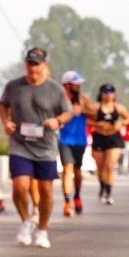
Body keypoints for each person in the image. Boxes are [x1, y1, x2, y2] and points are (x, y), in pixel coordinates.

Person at [0, 47, 72, 249]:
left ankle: (42, 230)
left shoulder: (55, 89)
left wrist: (58, 121)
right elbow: (3, 105)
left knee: (45, 190)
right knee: (19, 186)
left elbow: (68, 112)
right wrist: (6, 122)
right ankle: (25, 222)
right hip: (20, 144)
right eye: (30, 63)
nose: (33, 68)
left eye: (37, 64)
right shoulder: (14, 86)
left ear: (44, 65)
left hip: (45, 146)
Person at [88, 83, 129, 205]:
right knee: (101, 167)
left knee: (110, 166)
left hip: (114, 138)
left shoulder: (118, 107)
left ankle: (108, 192)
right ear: (101, 94)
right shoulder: (96, 107)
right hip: (99, 137)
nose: (108, 95)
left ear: (114, 94)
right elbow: (86, 120)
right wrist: (97, 124)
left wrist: (121, 124)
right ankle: (102, 186)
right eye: (105, 92)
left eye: (110, 92)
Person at [58, 71, 94, 216]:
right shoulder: (60, 98)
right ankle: (67, 202)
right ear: (67, 85)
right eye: (75, 84)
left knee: (77, 171)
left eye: (79, 84)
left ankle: (77, 195)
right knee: (67, 169)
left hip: (80, 140)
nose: (78, 86)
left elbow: (95, 114)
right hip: (64, 139)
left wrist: (83, 110)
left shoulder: (83, 98)